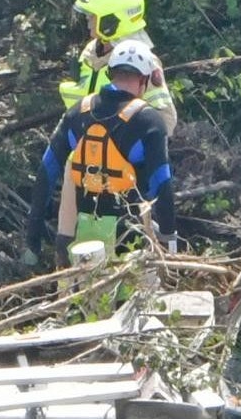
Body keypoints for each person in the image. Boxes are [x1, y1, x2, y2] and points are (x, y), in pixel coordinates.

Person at [27, 39, 176, 263]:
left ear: (109, 73)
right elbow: (162, 184)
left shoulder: (78, 111)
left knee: (79, 296)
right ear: (144, 80)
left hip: (76, 238)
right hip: (128, 239)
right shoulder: (149, 121)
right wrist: (168, 238)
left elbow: (46, 171)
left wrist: (32, 238)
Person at [58, 0, 177, 132]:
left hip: (117, 154)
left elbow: (166, 122)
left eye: (92, 15)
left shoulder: (142, 60)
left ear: (110, 21)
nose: (87, 19)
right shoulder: (91, 53)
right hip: (84, 153)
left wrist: (124, 136)